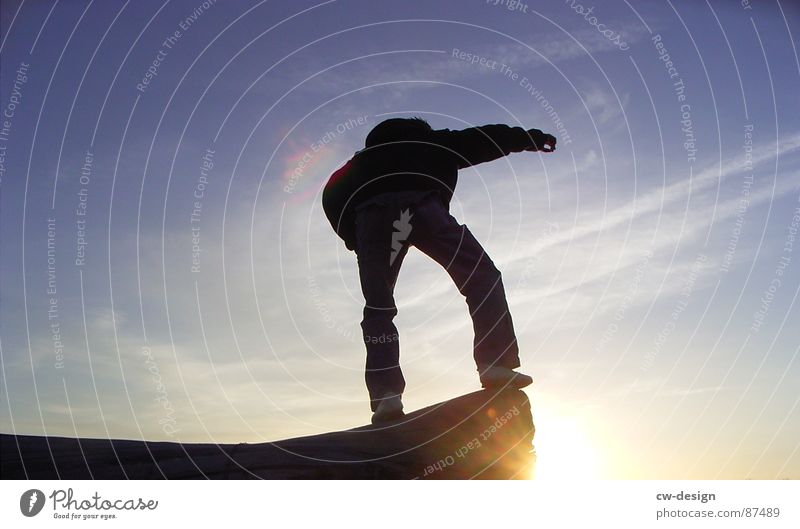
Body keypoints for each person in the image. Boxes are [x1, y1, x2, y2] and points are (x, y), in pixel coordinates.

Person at [322, 117, 557, 423]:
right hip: (422, 206)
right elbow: (483, 138)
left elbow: (331, 194)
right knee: (481, 276)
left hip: (372, 217)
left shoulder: (358, 162)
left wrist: (354, 237)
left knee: (378, 309)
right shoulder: (429, 142)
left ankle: (386, 397)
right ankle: (495, 362)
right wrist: (531, 137)